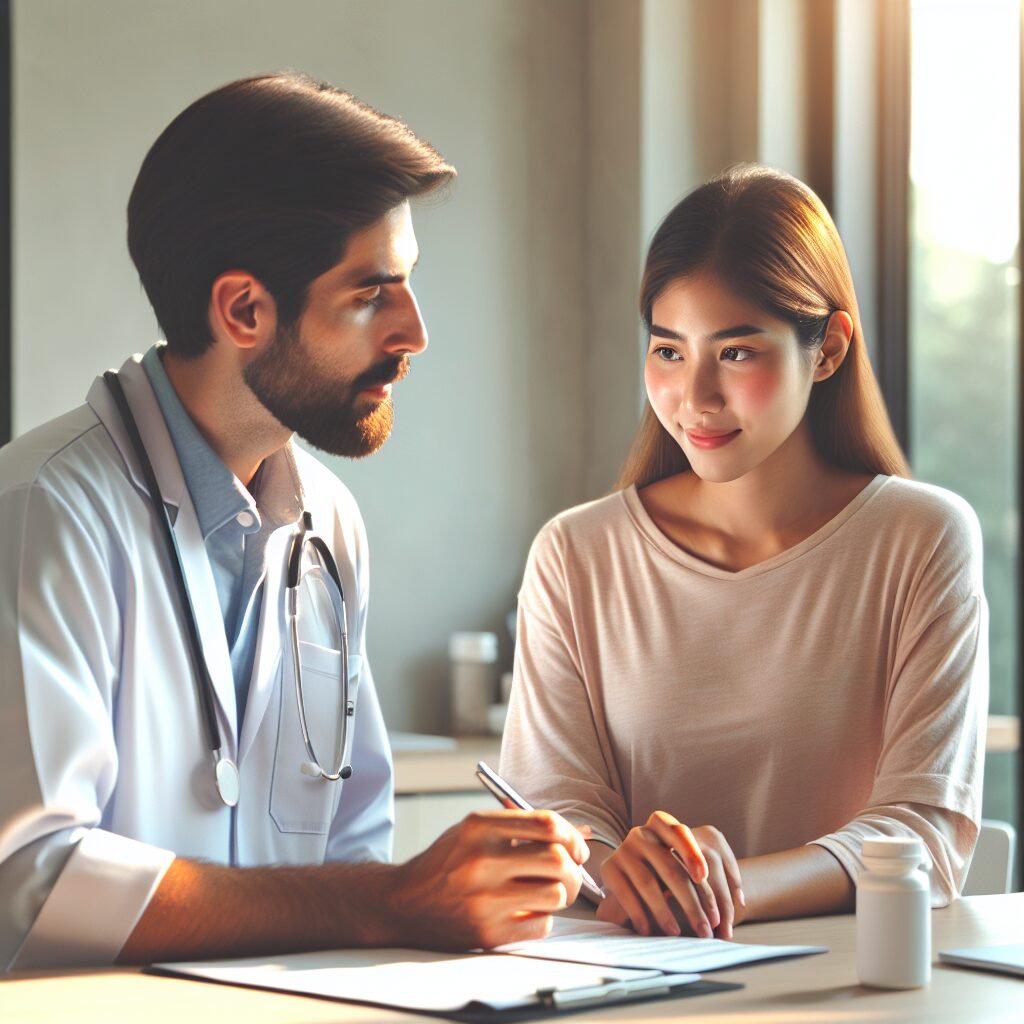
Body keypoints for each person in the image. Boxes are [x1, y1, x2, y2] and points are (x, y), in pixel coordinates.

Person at [0, 72, 589, 971]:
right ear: (244, 309)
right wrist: (389, 902)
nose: (415, 332)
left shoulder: (330, 522)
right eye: (371, 293)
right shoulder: (45, 511)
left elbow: (351, 842)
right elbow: (33, 882)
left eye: (409, 283)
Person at [499, 164, 987, 942]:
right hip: (628, 981)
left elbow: (922, 832)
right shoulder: (576, 554)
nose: (694, 398)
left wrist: (725, 891)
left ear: (827, 350)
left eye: (735, 354)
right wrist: (619, 867)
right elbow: (554, 811)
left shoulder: (922, 538)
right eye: (668, 351)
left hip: (845, 984)